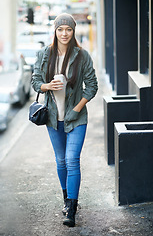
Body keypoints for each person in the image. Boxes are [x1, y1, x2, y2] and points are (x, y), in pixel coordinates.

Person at [31, 13, 98, 227]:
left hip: (75, 119)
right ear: (55, 31)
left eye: (68, 29)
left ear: (73, 31)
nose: (64, 33)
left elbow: (92, 86)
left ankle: (71, 208)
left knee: (71, 160)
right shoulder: (44, 54)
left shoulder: (82, 56)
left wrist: (77, 109)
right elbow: (35, 81)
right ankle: (66, 198)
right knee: (60, 161)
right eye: (60, 29)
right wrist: (47, 86)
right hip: (52, 118)